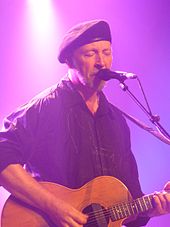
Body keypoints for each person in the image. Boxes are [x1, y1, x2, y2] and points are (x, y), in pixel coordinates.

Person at [0, 19, 169, 227]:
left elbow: (129, 203)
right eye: (91, 54)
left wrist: (152, 207)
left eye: (106, 52)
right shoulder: (44, 108)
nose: (102, 62)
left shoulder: (117, 122)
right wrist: (53, 207)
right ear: (70, 62)